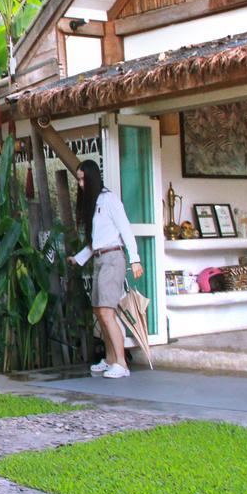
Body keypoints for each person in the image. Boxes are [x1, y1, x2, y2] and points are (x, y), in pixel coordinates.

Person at [67, 159, 144, 379]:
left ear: (91, 178)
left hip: (113, 258)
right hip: (100, 259)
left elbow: (125, 229)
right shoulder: (93, 204)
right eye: (78, 179)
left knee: (106, 312)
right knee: (99, 312)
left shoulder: (109, 199)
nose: (80, 184)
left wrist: (135, 259)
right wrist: (78, 259)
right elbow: (96, 241)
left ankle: (122, 363)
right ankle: (111, 359)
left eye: (83, 179)